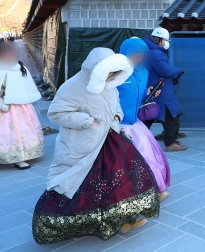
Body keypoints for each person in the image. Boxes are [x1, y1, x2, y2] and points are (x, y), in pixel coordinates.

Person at [32, 48, 160, 244]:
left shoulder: (110, 83)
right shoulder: (73, 85)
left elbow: (115, 103)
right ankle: (68, 222)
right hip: (84, 145)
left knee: (119, 180)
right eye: (107, 71)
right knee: (76, 185)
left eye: (113, 71)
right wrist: (87, 121)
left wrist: (116, 118)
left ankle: (124, 219)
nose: (110, 75)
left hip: (110, 140)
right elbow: (56, 113)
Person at [118, 37, 171, 202]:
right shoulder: (115, 72)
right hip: (117, 125)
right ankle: (132, 197)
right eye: (136, 54)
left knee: (149, 157)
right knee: (126, 164)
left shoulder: (143, 72)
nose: (140, 57)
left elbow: (136, 95)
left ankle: (154, 188)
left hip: (135, 124)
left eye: (142, 54)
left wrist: (148, 93)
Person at [142, 28, 187, 152]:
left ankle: (137, 140)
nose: (167, 43)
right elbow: (166, 71)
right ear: (160, 40)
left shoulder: (148, 51)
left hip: (154, 89)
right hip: (161, 90)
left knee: (149, 115)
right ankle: (170, 142)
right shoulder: (156, 53)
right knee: (172, 115)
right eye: (166, 40)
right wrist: (178, 70)